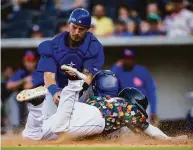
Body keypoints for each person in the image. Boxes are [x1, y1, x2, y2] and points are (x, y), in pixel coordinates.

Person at [18, 69, 187, 141]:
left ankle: (36, 105)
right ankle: (74, 84)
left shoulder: (102, 100)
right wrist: (169, 139)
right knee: (61, 130)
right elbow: (151, 130)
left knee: (32, 136)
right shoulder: (127, 108)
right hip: (95, 118)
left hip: (78, 108)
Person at [36, 8, 105, 120]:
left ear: (88, 29)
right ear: (69, 24)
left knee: (106, 80)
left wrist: (70, 95)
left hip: (81, 90)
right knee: (48, 131)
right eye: (74, 27)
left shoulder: (94, 46)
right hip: (57, 88)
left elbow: (87, 77)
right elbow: (48, 74)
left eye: (81, 29)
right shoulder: (53, 44)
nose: (77, 32)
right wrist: (54, 92)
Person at [111, 49, 158, 125]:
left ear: (134, 60)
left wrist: (153, 111)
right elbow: (109, 81)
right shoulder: (118, 71)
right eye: (125, 58)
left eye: (130, 58)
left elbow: (151, 91)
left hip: (142, 106)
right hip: (125, 106)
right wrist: (116, 65)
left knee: (145, 130)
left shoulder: (142, 71)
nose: (127, 61)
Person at [6, 50, 44, 132]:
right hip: (25, 99)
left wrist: (19, 85)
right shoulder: (21, 72)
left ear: (36, 61)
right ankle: (16, 126)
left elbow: (28, 86)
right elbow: (9, 85)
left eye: (31, 61)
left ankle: (32, 127)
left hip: (39, 100)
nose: (29, 63)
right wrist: (23, 80)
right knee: (13, 97)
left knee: (29, 97)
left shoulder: (39, 72)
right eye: (27, 60)